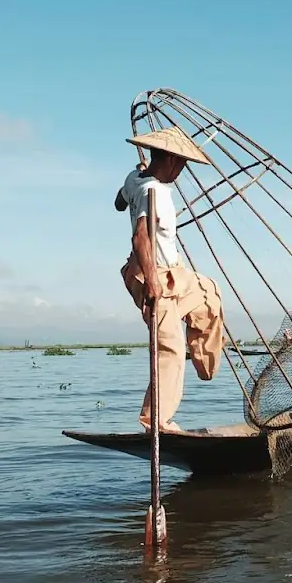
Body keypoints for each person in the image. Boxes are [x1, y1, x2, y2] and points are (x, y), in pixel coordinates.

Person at [115, 125, 213, 432]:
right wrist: (154, 285)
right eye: (181, 164)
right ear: (169, 159)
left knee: (208, 294)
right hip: (152, 272)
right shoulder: (152, 191)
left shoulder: (136, 179)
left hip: (173, 272)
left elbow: (118, 203)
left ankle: (205, 364)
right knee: (170, 346)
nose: (181, 171)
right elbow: (140, 237)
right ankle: (156, 420)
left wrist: (137, 175)